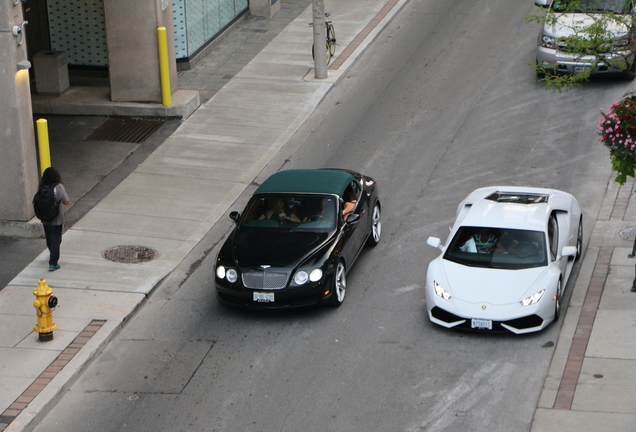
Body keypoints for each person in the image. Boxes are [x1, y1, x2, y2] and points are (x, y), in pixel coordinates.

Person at [40, 167, 70, 271]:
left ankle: (51, 252)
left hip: (44, 217)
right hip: (56, 218)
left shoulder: (41, 187)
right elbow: (66, 201)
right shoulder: (59, 187)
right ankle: (53, 263)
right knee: (56, 240)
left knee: (49, 238)